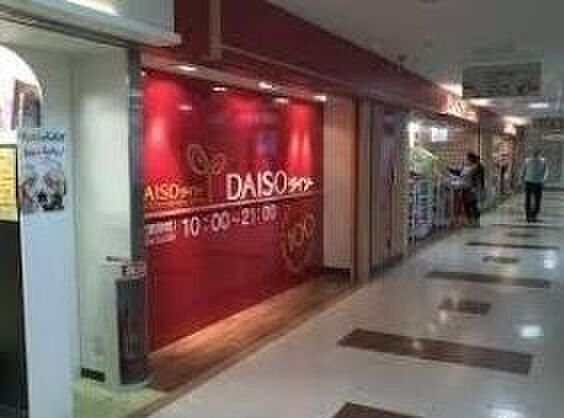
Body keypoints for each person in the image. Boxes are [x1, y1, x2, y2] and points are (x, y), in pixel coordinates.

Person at [450, 152, 485, 227]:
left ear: (471, 159)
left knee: (473, 205)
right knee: (466, 205)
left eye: (467, 158)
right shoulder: (466, 167)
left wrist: (479, 189)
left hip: (472, 189)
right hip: (465, 188)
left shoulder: (477, 167)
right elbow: (459, 172)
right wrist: (450, 169)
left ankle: (475, 221)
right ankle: (470, 221)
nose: (466, 160)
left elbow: (479, 179)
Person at [522, 149, 549, 223]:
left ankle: (530, 216)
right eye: (535, 155)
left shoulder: (529, 161)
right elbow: (546, 172)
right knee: (536, 199)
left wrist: (523, 178)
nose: (536, 156)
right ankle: (532, 215)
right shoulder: (529, 161)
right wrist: (543, 179)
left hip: (532, 182)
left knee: (531, 199)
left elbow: (523, 170)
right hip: (535, 182)